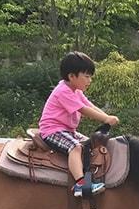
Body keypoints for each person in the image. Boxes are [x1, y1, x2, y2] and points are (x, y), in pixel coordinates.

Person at [39, 51, 119, 197]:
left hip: (67, 130)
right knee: (75, 148)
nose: (89, 80)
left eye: (90, 77)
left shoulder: (76, 91)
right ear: (71, 76)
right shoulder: (63, 91)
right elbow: (83, 109)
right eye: (86, 76)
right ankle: (81, 185)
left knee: (88, 146)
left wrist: (106, 116)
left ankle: (91, 180)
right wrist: (105, 119)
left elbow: (89, 105)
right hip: (52, 130)